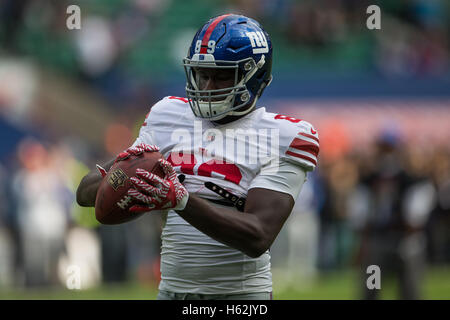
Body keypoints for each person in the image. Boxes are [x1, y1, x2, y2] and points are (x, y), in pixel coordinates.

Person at [76, 14, 319, 300]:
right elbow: (85, 193)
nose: (207, 86)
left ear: (254, 75)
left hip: (239, 299)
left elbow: (258, 235)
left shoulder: (281, 136)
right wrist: (122, 173)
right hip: (171, 293)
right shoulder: (168, 115)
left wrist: (181, 200)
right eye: (203, 74)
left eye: (221, 76)